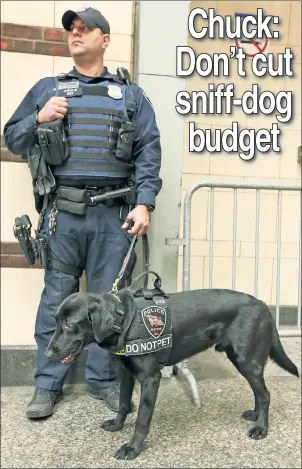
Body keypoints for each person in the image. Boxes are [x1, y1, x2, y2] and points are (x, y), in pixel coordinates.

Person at [3, 7, 162, 419]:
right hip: (64, 217)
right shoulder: (47, 88)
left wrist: (144, 202)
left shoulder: (131, 96)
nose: (75, 34)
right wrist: (38, 117)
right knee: (57, 300)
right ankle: (47, 385)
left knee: (111, 306)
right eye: (71, 29)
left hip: (115, 216)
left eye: (84, 29)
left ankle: (104, 382)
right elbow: (12, 137)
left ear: (104, 40)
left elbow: (148, 152)